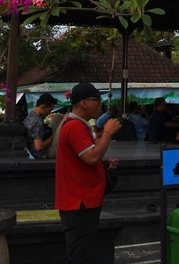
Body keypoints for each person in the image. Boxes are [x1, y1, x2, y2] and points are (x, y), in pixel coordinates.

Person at [56, 82, 122, 264]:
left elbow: (88, 158)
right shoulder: (74, 127)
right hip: (79, 201)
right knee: (81, 255)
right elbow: (91, 157)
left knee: (84, 251)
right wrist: (107, 133)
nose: (100, 104)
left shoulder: (80, 126)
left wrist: (103, 164)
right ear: (84, 103)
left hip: (82, 200)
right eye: (96, 100)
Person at [24, 92, 57, 158]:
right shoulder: (37, 122)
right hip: (40, 154)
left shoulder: (30, 116)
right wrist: (53, 136)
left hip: (31, 151)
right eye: (50, 110)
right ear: (43, 107)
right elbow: (38, 147)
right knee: (58, 118)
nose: (49, 113)